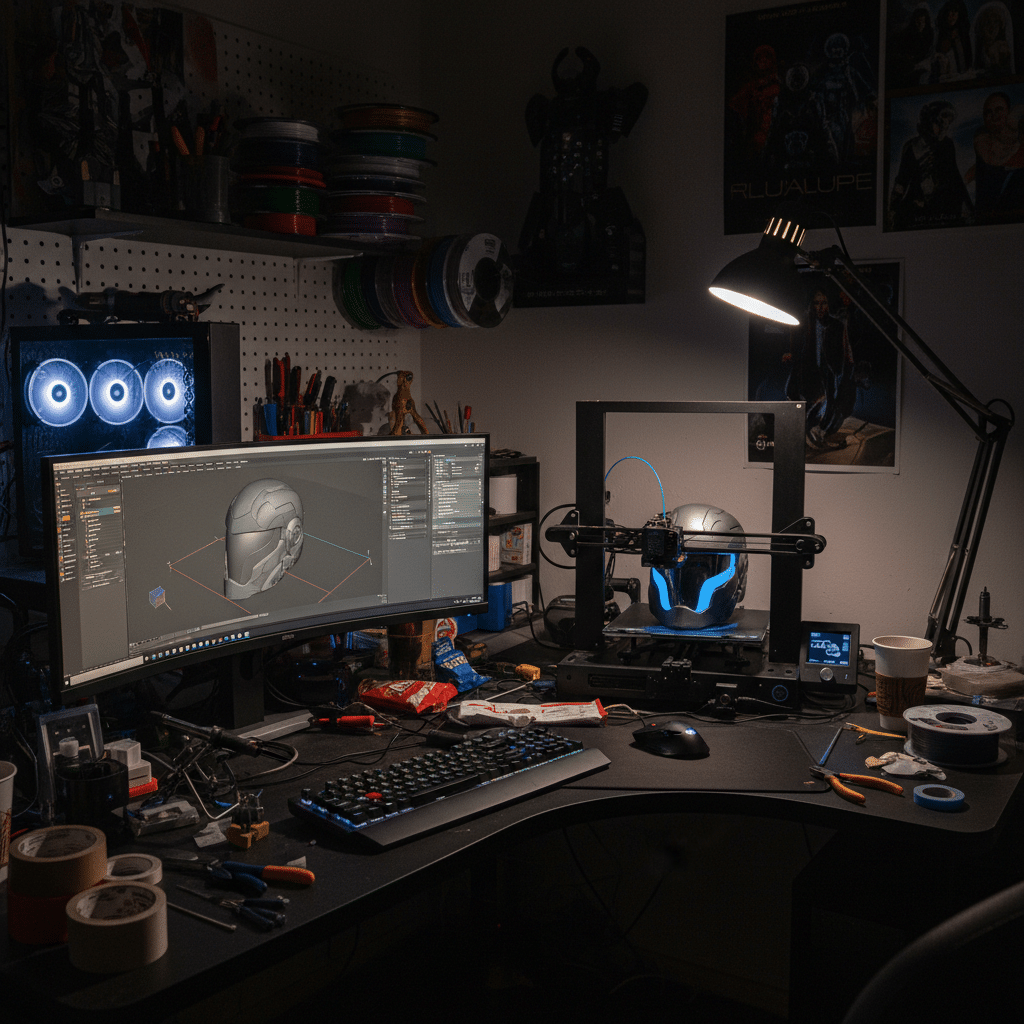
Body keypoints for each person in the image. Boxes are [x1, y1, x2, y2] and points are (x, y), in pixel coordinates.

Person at [783, 287, 855, 446]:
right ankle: (805, 433)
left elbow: (844, 349)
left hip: (829, 370)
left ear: (828, 304)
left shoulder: (836, 325)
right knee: (796, 396)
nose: (820, 307)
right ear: (812, 305)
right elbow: (794, 345)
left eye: (824, 303)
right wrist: (790, 355)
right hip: (808, 369)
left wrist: (843, 369)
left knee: (829, 401)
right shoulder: (803, 323)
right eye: (817, 303)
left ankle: (818, 432)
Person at [889, 99, 973, 229]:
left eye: (947, 123)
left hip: (943, 205)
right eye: (940, 123)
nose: (944, 128)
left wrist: (968, 207)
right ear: (930, 121)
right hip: (917, 205)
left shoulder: (947, 145)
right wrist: (892, 209)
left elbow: (955, 178)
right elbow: (901, 181)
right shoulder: (911, 147)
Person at [971, 91, 1024, 220]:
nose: (994, 115)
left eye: (999, 110)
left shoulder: (1020, 141)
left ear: (1008, 112)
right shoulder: (982, 141)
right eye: (988, 112)